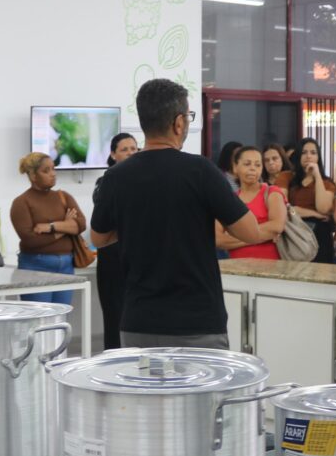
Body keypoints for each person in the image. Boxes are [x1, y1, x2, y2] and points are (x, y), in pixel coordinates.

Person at [90, 78, 267, 348]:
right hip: (197, 322)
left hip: (139, 321)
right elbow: (251, 231)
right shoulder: (201, 171)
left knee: (143, 379)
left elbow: (99, 238)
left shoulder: (116, 177)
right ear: (178, 123)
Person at [9, 153, 84, 305]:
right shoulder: (21, 202)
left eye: (53, 168)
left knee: (61, 315)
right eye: (46, 170)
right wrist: (65, 227)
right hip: (36, 266)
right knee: (41, 317)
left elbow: (81, 224)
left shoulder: (64, 196)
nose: (53, 174)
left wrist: (51, 227)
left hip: (66, 266)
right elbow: (31, 240)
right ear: (33, 175)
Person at [94, 133, 138, 349]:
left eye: (134, 149)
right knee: (114, 315)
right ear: (113, 154)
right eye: (124, 149)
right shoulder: (106, 182)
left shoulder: (144, 179)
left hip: (137, 256)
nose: (130, 153)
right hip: (112, 256)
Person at [218, 146, 285, 260]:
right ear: (235, 167)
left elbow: (276, 227)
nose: (253, 168)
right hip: (235, 267)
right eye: (247, 164)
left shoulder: (272, 192)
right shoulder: (229, 200)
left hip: (270, 265)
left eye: (257, 165)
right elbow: (219, 239)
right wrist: (264, 235)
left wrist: (234, 235)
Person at [286, 137, 336, 262]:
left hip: (320, 234)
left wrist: (317, 175)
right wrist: (314, 214)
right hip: (296, 231)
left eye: (313, 153)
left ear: (318, 157)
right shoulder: (289, 180)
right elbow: (288, 209)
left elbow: (323, 208)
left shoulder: (327, 183)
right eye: (304, 152)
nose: (308, 156)